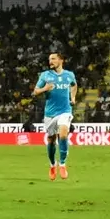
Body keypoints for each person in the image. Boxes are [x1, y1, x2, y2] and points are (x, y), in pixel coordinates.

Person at [30, 52, 76, 180]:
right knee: (51, 139)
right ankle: (52, 165)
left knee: (63, 134)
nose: (50, 61)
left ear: (61, 60)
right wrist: (45, 89)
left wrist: (73, 98)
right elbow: (35, 92)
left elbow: (74, 85)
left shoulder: (69, 75)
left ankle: (62, 164)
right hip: (50, 113)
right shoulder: (45, 75)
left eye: (53, 59)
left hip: (65, 111)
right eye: (49, 59)